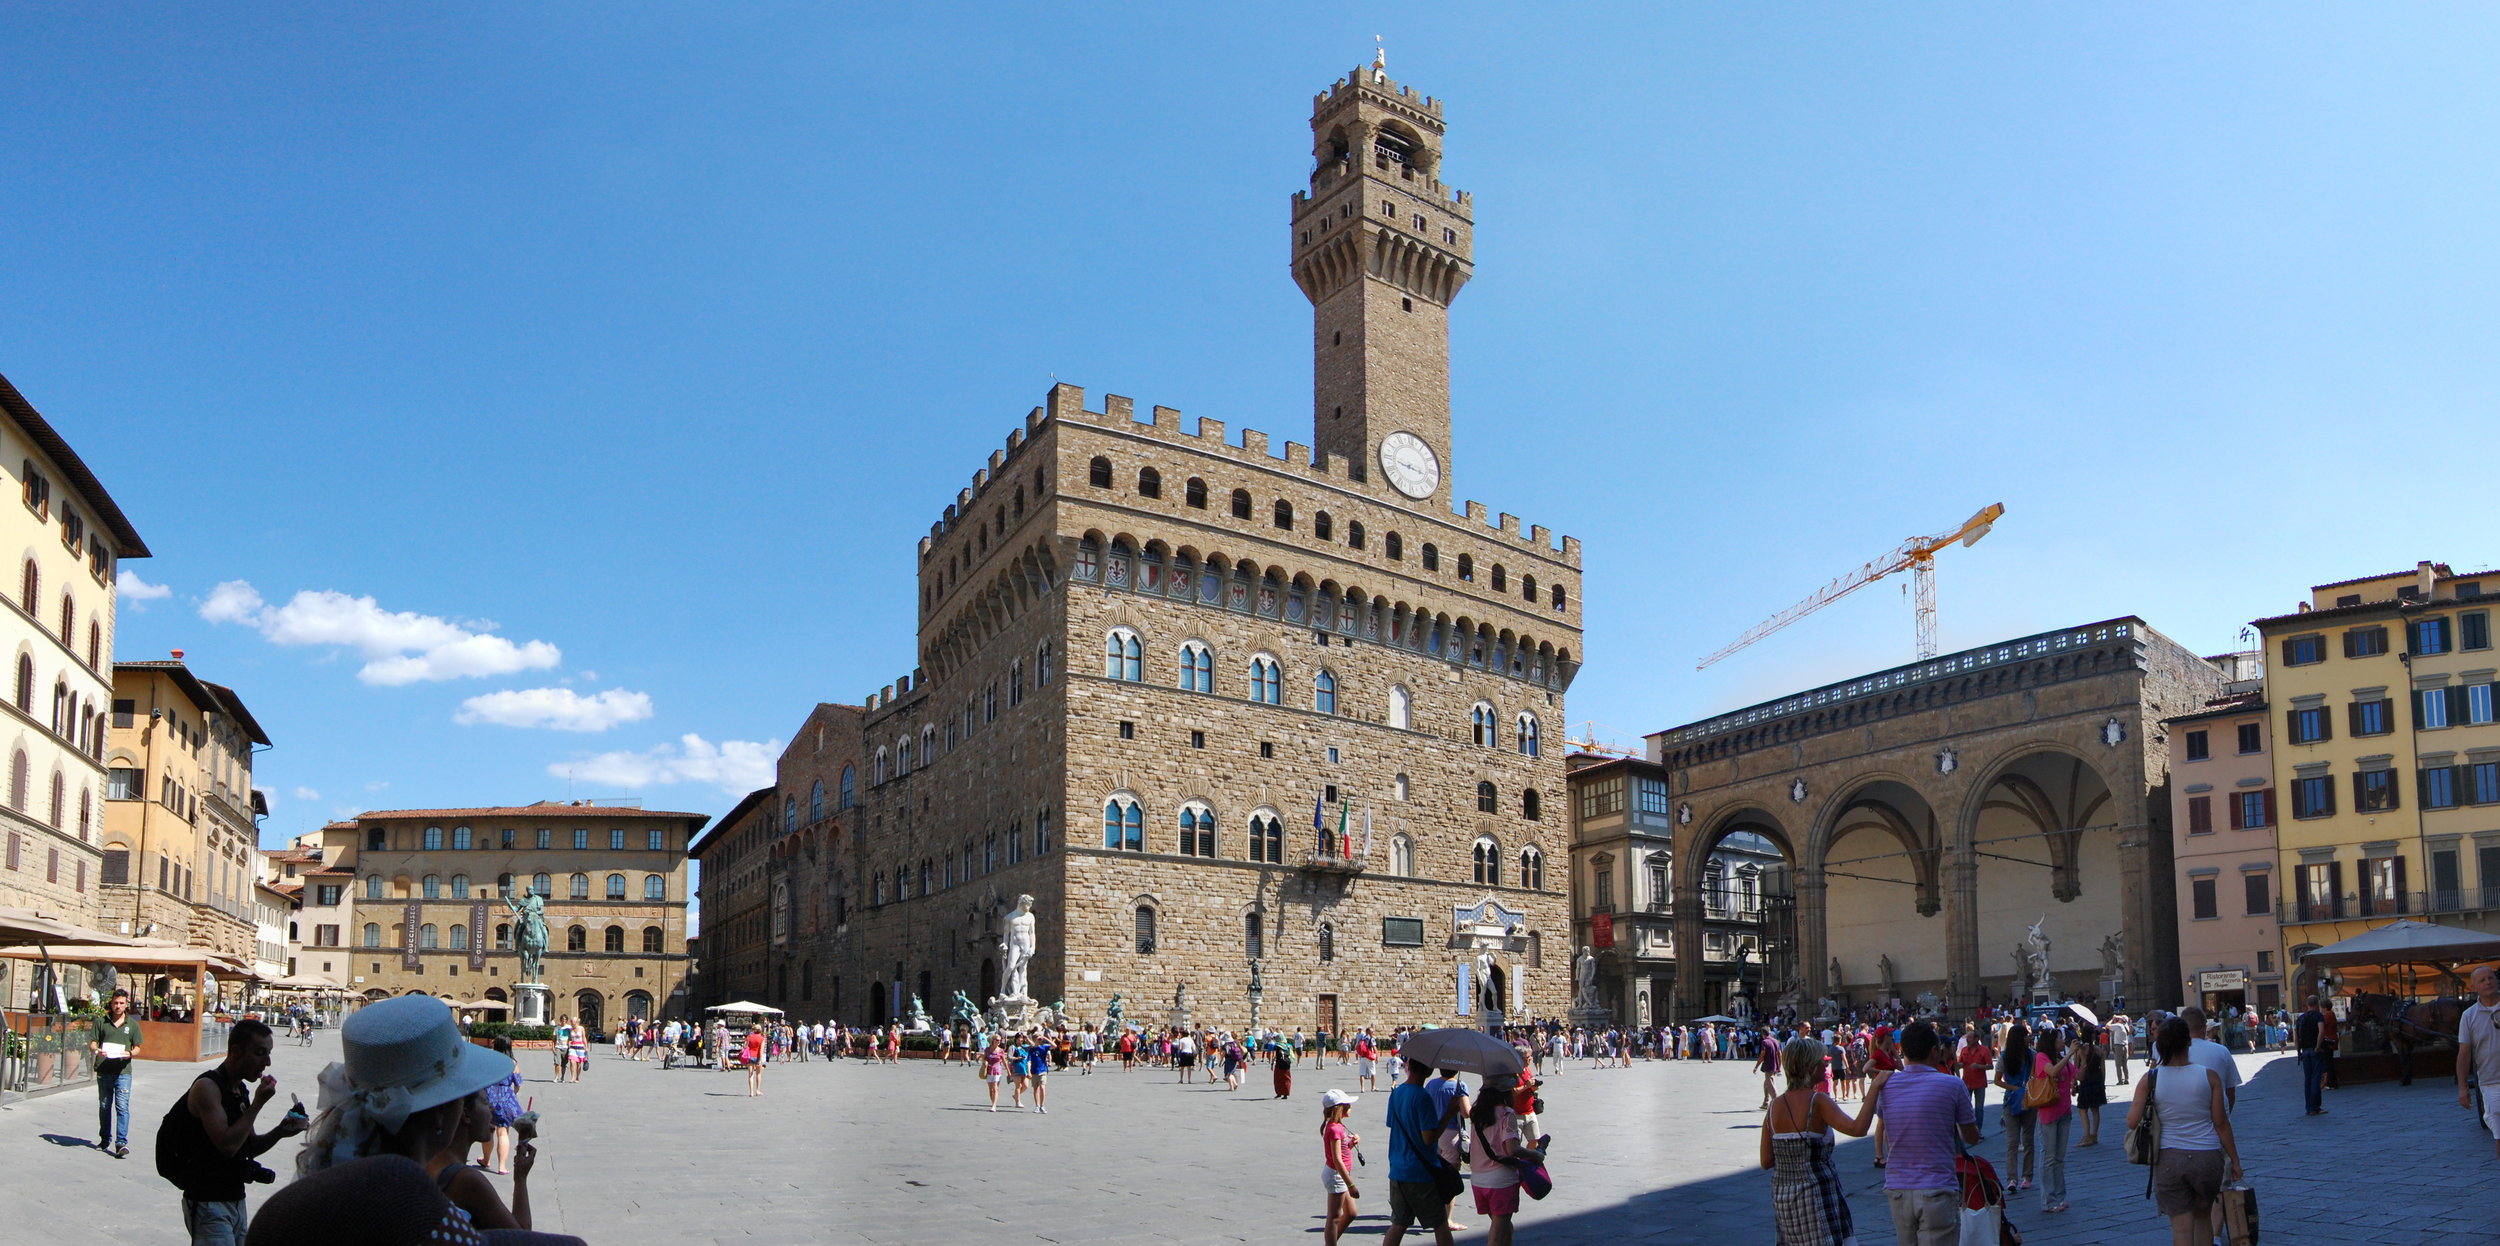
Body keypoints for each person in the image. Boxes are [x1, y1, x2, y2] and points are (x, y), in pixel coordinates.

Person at [159, 1018, 305, 1244]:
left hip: (236, 1199)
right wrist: (258, 1104)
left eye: (269, 1053)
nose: (266, 1062)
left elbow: (248, 1146)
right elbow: (227, 1145)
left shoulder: (240, 1090)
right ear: (236, 1051)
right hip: (208, 1202)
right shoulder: (207, 1088)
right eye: (259, 1053)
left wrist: (281, 1130)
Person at [2127, 1017, 2243, 1246]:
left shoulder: (2150, 1079)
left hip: (2169, 1157)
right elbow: (2221, 1122)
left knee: (2180, 1229)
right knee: (2203, 1220)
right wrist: (2235, 1160)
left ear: (2159, 1046)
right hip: (2207, 1156)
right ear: (2188, 1042)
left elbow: (2132, 1122)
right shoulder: (2209, 1076)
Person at [1759, 1037, 1886, 1246]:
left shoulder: (1774, 1107)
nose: (1825, 1065)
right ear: (1809, 1067)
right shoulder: (1817, 1100)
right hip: (1817, 1194)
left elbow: (1766, 1161)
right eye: (1822, 1062)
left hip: (1783, 1198)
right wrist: (1876, 1087)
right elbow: (1858, 1128)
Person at [1877, 1021, 1980, 1246]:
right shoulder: (1952, 1085)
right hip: (1937, 1186)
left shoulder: (1886, 1085)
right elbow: (1971, 1137)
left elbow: (1885, 1132)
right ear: (1934, 1051)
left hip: (1898, 1188)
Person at [1381, 1059, 1455, 1246]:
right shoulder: (1422, 1097)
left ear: (1409, 1068)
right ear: (1428, 1071)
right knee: (1440, 1223)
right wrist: (1448, 1114)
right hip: (1420, 1172)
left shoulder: (1397, 1093)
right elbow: (1429, 1137)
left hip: (1398, 1168)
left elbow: (1392, 1124)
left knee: (1398, 1224)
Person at [1467, 1075, 1529, 1246]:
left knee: (1504, 1226)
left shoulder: (1476, 1110)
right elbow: (1512, 1150)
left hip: (1479, 1179)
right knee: (1497, 1233)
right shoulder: (1506, 1114)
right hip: (1500, 1180)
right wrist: (1534, 1155)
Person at [2030, 1027, 2079, 1214]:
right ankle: (2048, 1201)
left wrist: (2085, 1055)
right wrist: (2070, 1055)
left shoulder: (2062, 1058)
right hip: (2048, 1113)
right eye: (2060, 1038)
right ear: (2051, 1041)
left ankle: (2060, 1197)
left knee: (2059, 1158)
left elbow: (2077, 1074)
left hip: (2065, 1112)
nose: (2062, 1041)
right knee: (2049, 1158)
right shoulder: (2042, 1057)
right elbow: (2051, 1072)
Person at [2455, 964, 2500, 1160]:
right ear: (2473, 987)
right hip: (2491, 1083)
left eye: (2490, 977)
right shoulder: (2469, 1016)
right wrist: (2463, 1087)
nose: (2488, 982)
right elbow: (2464, 1054)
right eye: (2482, 980)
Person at [92, 987, 143, 1157]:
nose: (118, 1006)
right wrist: (97, 1051)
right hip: (104, 1070)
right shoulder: (101, 1022)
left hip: (123, 1072)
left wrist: (129, 1053)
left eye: (121, 1003)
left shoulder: (133, 1025)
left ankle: (121, 1142)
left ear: (126, 1004)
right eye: (115, 1003)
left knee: (122, 1107)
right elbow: (93, 1043)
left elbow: (137, 1048)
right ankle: (105, 1138)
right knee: (105, 1106)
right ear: (111, 1003)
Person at [1992, 1021, 2037, 1191]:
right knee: (2012, 1143)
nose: (2029, 1038)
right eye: (2026, 1036)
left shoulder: (2033, 1055)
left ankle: (2027, 1176)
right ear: (2020, 1038)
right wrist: (2016, 1088)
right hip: (2012, 1102)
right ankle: (2012, 1178)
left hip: (2029, 1101)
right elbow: (1997, 1080)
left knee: (2028, 1141)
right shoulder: (2005, 1058)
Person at [2178, 1007, 2242, 1113]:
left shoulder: (2174, 1054)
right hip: (2217, 1116)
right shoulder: (2221, 1051)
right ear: (2204, 1028)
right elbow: (2231, 1090)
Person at [1321, 1088, 1362, 1246]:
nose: (1351, 1108)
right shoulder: (1335, 1129)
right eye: (1348, 1105)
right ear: (1340, 1108)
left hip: (1339, 1174)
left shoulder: (1337, 1126)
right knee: (1334, 1217)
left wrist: (1351, 1143)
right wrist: (1351, 1185)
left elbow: (1340, 1152)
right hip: (1336, 1175)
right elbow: (1337, 1160)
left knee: (1351, 1213)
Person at [482, 1037, 523, 1175]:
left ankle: (486, 1160)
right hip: (506, 1097)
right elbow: (517, 1085)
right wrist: (513, 1094)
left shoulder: (489, 1061)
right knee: (503, 1132)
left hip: (490, 1096)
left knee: (489, 1130)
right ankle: (502, 1166)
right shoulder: (512, 1063)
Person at [1955, 1025, 1995, 1138]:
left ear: (1977, 1039)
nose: (1967, 1040)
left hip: (1979, 1083)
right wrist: (1957, 1065)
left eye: (1970, 1038)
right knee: (1965, 1107)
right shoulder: (1964, 1050)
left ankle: (1978, 1130)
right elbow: (1962, 1063)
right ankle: (1967, 1130)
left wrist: (1979, 1066)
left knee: (1979, 1109)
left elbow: (1990, 1066)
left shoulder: (1984, 1050)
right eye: (1967, 1038)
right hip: (1966, 1081)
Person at [2295, 995, 2330, 1116]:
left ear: (2307, 1004)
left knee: (2307, 1079)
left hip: (2304, 1051)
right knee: (2316, 1078)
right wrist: (2318, 1046)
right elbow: (2321, 1031)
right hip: (2315, 1051)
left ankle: (2308, 1107)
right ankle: (2315, 1107)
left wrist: (2298, 1051)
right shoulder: (2318, 1016)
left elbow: (2296, 1038)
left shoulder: (2300, 1019)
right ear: (2316, 1004)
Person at [2074, 1024, 2108, 1147]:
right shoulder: (2099, 1049)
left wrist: (2073, 1084)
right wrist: (2103, 1083)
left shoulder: (2080, 1050)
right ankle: (2094, 1134)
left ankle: (2086, 1135)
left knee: (2083, 1109)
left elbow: (2075, 1068)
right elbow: (2103, 1068)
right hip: (2097, 1080)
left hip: (2086, 1081)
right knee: (2095, 1109)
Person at [744, 1025, 767, 1096]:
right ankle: (758, 1090)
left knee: (750, 1074)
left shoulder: (749, 1037)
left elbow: (744, 1046)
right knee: (758, 1074)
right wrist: (760, 1060)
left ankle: (751, 1092)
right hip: (757, 1057)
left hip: (750, 1056)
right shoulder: (762, 1038)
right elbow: (761, 1050)